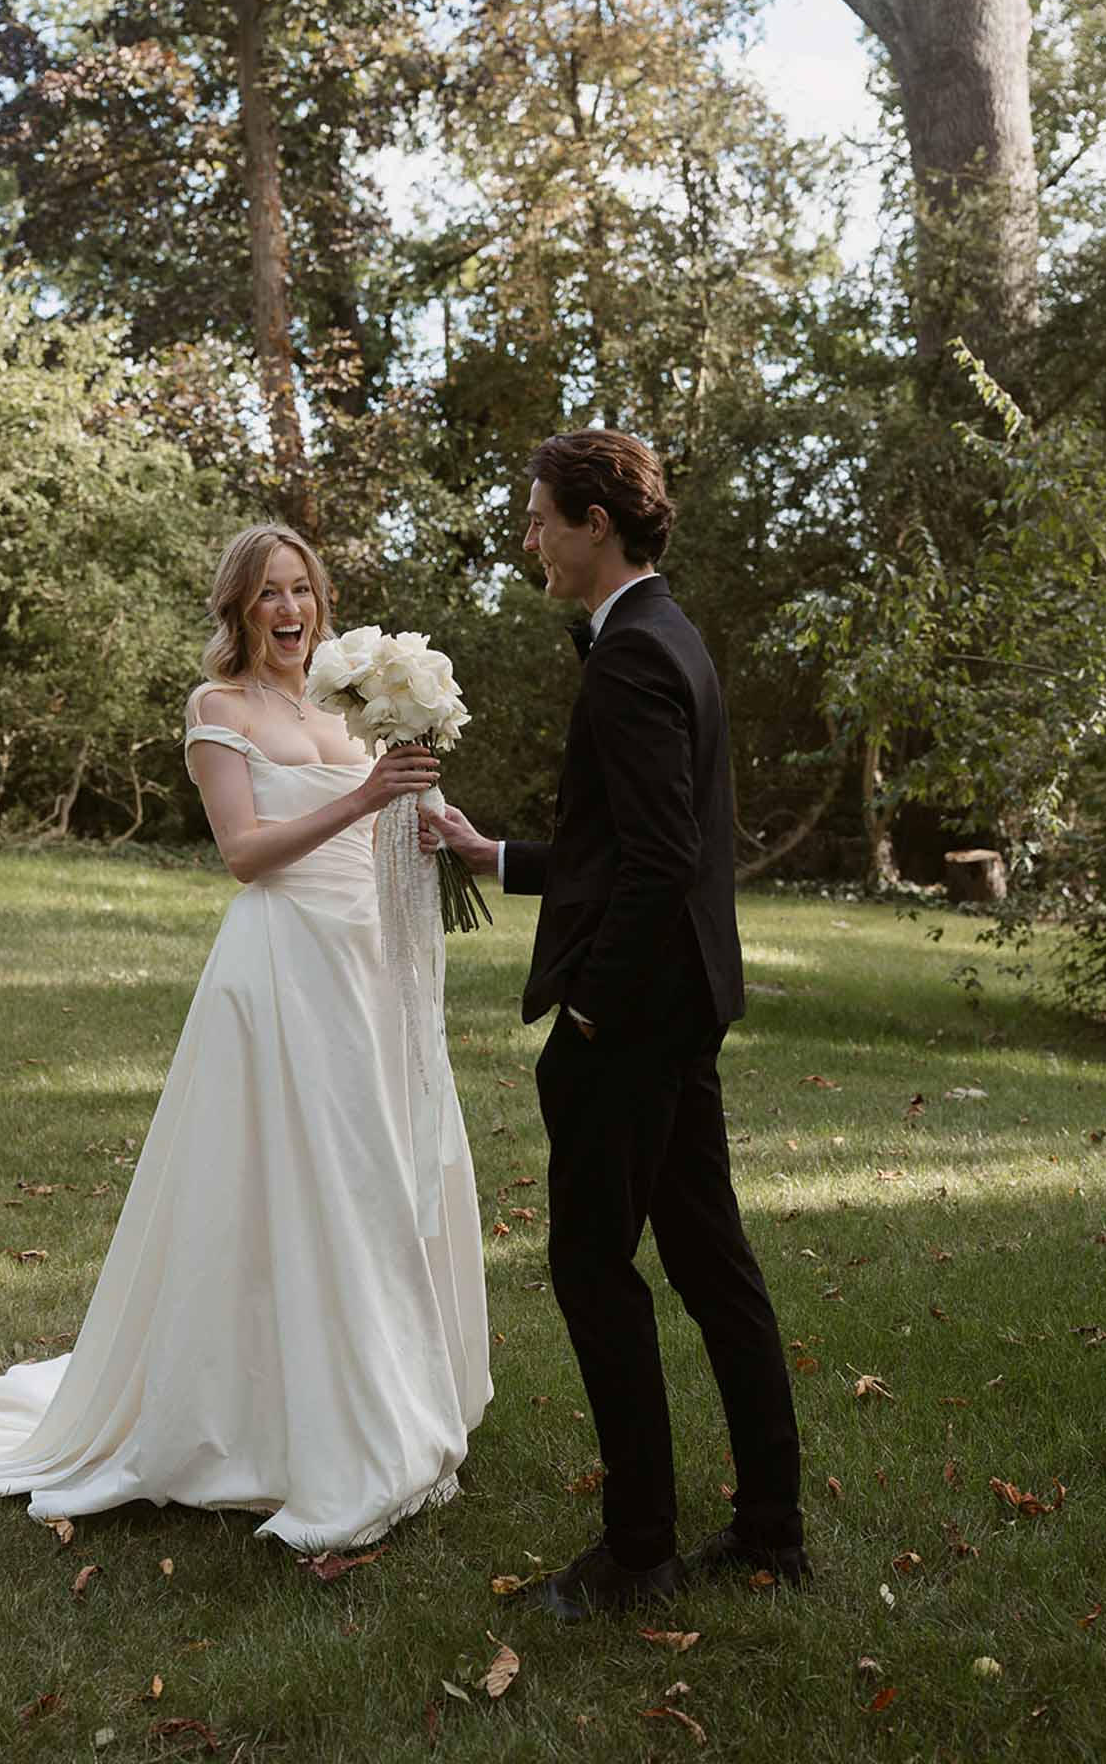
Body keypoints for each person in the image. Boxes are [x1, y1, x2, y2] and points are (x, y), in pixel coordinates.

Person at [0, 524, 490, 1551]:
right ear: (237, 609)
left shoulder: (349, 698)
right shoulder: (217, 710)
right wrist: (360, 797)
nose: (291, 611)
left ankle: (386, 1382)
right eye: (269, 595)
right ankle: (261, 1414)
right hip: (283, 965)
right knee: (289, 1182)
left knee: (374, 1172)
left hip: (368, 962)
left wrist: (430, 817)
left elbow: (394, 811)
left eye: (302, 590)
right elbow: (245, 853)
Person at [422, 430, 809, 1621]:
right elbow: (633, 845)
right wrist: (500, 855)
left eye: (540, 518)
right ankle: (768, 1532)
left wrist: (587, 1008)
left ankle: (637, 1549)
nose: (530, 539)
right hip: (683, 1002)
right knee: (709, 1262)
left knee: (594, 1265)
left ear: (594, 521)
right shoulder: (666, 633)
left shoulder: (632, 656)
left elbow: (657, 861)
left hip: (632, 1017)